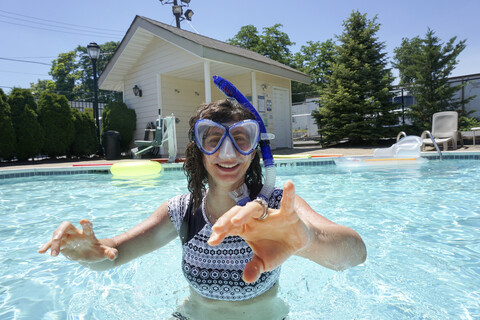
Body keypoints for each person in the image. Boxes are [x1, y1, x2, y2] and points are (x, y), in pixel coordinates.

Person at [39, 99, 366, 320]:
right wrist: (88, 253)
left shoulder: (279, 207)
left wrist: (306, 239)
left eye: (241, 138)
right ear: (198, 149)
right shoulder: (181, 211)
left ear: (253, 152)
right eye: (212, 139)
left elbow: (355, 254)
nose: (228, 152)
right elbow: (114, 254)